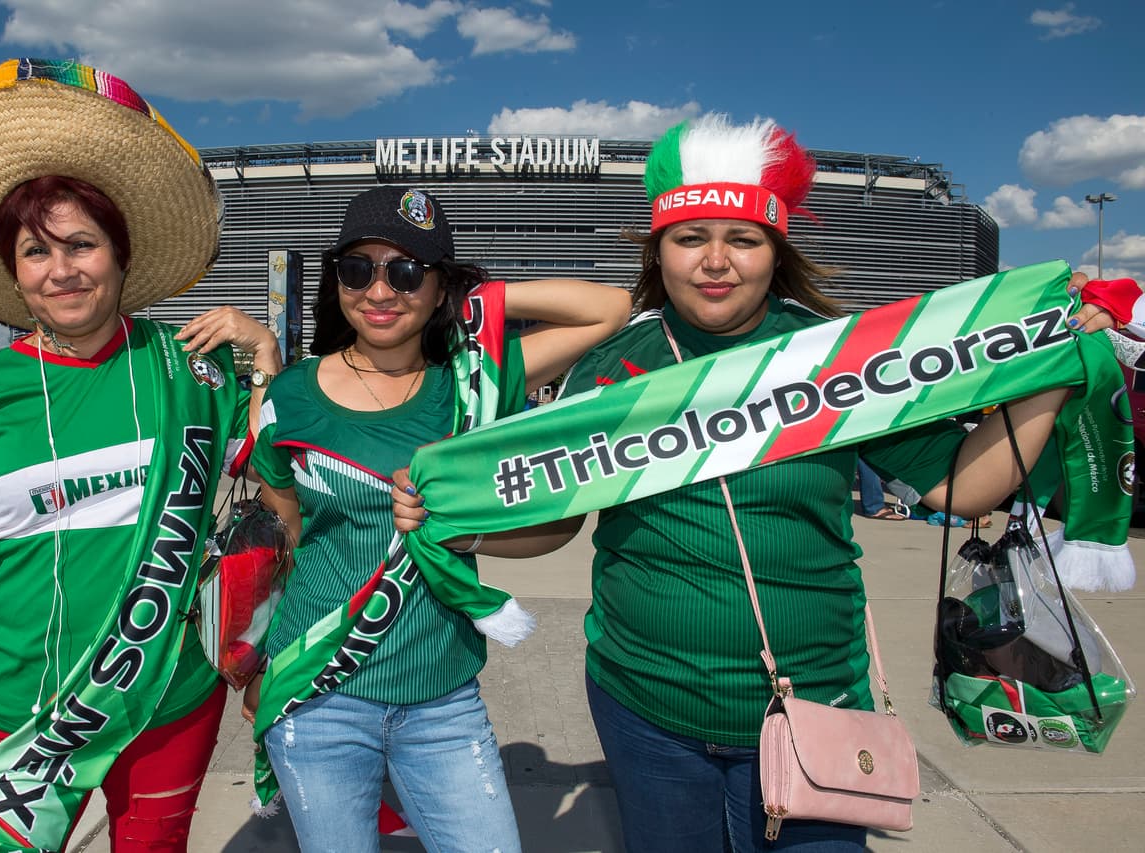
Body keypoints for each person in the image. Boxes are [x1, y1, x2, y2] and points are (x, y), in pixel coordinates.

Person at [462, 114, 1116, 852]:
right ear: (659, 249)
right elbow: (559, 520)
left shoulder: (839, 355)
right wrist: (462, 522)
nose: (715, 262)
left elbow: (962, 490)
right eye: (689, 238)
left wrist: (1051, 373)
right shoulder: (612, 364)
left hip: (815, 703)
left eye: (741, 239)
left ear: (776, 250)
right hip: (645, 705)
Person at [0, 59, 281, 852]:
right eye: (36, 252)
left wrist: (268, 356)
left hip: (169, 698)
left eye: (82, 244)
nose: (62, 269)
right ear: (14, 271)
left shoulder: (192, 367)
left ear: (120, 254)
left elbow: (274, 478)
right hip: (22, 715)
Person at [245, 184, 631, 852]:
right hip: (318, 692)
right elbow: (285, 537)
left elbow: (610, 308)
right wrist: (257, 666)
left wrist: (481, 298)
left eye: (406, 270)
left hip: (442, 700)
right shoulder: (292, 396)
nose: (379, 290)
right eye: (358, 268)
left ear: (438, 287)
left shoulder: (473, 379)